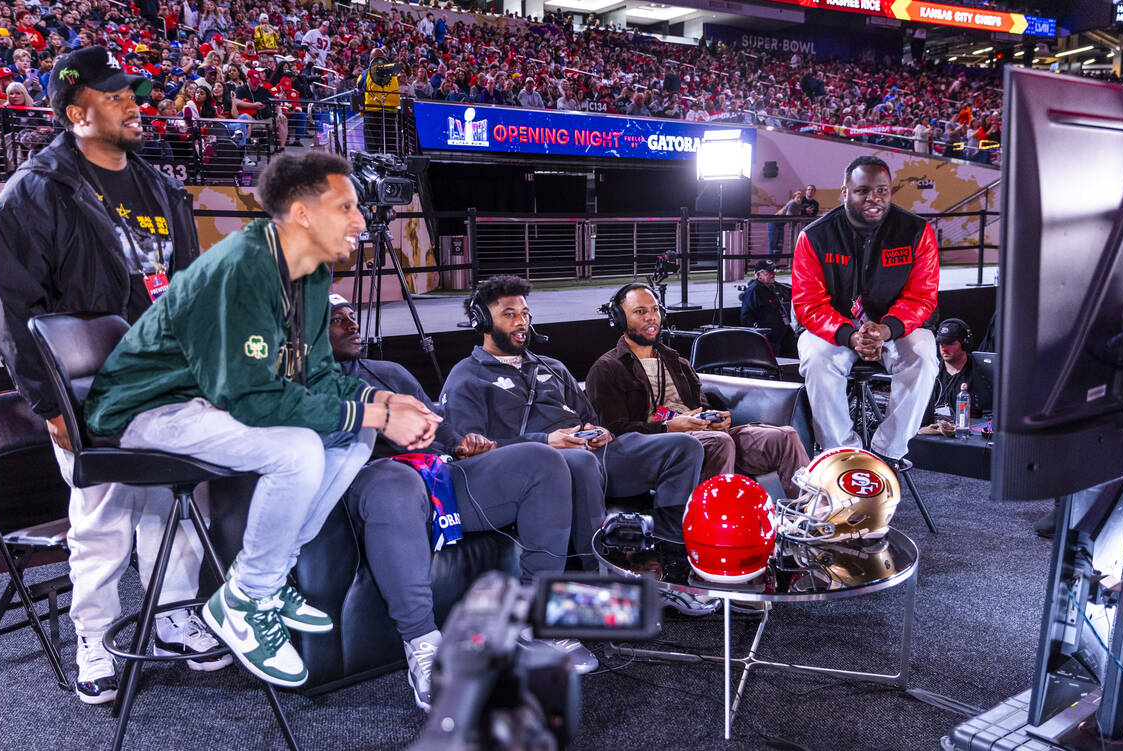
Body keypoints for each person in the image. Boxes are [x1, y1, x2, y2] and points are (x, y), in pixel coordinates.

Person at [83, 151, 442, 687]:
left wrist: (383, 405)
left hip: (210, 403)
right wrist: (373, 409)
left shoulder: (312, 275)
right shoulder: (243, 266)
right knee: (296, 450)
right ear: (302, 213)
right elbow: (251, 400)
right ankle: (247, 598)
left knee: (354, 432)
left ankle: (266, 582)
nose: (361, 220)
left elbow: (315, 377)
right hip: (146, 409)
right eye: (345, 206)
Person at [0, 46, 226, 706]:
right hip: (92, 393)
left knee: (178, 500)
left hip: (169, 383)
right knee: (105, 516)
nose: (132, 105)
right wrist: (48, 402)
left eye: (130, 94)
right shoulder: (37, 191)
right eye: (114, 97)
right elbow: (10, 302)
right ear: (75, 113)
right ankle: (92, 636)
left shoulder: (161, 188)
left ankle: (172, 614)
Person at [327, 297, 598, 709]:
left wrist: (463, 443)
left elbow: (442, 432)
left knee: (543, 460)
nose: (352, 324)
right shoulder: (296, 385)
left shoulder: (390, 372)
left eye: (352, 316)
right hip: (368, 481)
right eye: (335, 320)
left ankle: (532, 616)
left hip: (435, 474)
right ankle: (422, 643)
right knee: (395, 479)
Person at [441, 276, 715, 615]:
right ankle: (599, 586)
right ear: (482, 321)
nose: (521, 322)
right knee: (578, 462)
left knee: (684, 448)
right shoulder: (467, 376)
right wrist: (545, 441)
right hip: (544, 466)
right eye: (509, 314)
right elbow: (473, 452)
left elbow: (588, 416)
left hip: (598, 453)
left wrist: (596, 430)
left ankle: (667, 571)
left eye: (525, 314)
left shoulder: (552, 366)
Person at [585, 283, 809, 495]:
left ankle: (810, 520)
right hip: (661, 446)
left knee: (785, 436)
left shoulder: (678, 363)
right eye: (640, 311)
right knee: (719, 442)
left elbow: (703, 406)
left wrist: (716, 418)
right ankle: (717, 528)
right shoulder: (606, 369)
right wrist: (668, 427)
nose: (651, 317)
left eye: (654, 309)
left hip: (707, 434)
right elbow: (614, 430)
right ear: (620, 318)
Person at [792, 155, 940, 465]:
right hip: (835, 330)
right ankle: (842, 456)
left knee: (924, 355)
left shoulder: (916, 231)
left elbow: (922, 297)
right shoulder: (815, 237)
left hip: (895, 329)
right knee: (817, 358)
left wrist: (887, 329)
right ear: (844, 193)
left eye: (882, 190)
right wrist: (849, 336)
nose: (873, 199)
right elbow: (809, 303)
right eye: (862, 191)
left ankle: (888, 454)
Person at [923, 318, 993, 424]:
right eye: (941, 343)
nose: (943, 348)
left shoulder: (981, 374)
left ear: (965, 343)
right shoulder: (931, 371)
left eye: (949, 343)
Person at [740, 260, 795, 358]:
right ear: (758, 275)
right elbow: (746, 317)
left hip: (779, 337)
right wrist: (760, 333)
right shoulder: (753, 291)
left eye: (773, 271)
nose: (773, 274)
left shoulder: (771, 287)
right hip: (767, 340)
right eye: (768, 272)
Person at [357, 46, 399, 152]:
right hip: (390, 113)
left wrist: (361, 112)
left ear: (371, 59)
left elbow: (358, 90)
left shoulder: (366, 73)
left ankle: (373, 166)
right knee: (390, 144)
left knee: (372, 146)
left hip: (372, 112)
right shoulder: (393, 73)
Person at [768, 189, 802, 260]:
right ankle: (770, 264)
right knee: (773, 243)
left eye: (800, 198)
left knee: (780, 244)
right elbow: (788, 215)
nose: (799, 199)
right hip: (774, 222)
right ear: (794, 198)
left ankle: (776, 264)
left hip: (781, 224)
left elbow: (797, 216)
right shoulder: (792, 203)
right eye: (797, 197)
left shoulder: (799, 205)